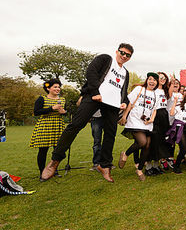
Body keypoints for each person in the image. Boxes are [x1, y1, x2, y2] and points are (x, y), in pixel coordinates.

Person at [41, 43, 132, 182]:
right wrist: (95, 92)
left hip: (112, 104)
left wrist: (124, 101)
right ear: (117, 51)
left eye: (128, 55)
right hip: (95, 97)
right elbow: (91, 72)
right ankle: (55, 160)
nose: (124, 56)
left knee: (110, 134)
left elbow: (123, 90)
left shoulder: (125, 72)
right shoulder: (106, 59)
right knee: (75, 125)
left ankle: (104, 166)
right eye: (122, 52)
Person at [118, 73, 159, 181]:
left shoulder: (156, 94)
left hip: (147, 123)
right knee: (142, 142)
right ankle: (125, 154)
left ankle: (140, 169)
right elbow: (130, 103)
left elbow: (155, 109)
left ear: (157, 82)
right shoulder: (139, 89)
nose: (152, 81)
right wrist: (124, 116)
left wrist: (152, 119)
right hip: (135, 120)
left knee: (147, 146)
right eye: (150, 79)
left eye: (154, 80)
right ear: (147, 80)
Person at [29, 79, 66, 180]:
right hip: (45, 125)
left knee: (57, 151)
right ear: (48, 88)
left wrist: (64, 112)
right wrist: (52, 108)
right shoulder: (42, 99)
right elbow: (36, 112)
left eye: (59, 87)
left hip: (58, 125)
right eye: (55, 87)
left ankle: (54, 170)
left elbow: (64, 112)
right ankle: (42, 173)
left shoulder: (62, 100)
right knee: (43, 151)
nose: (58, 89)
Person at [145, 71, 171, 175]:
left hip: (164, 115)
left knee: (160, 142)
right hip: (155, 115)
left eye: (164, 78)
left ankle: (156, 166)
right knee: (152, 141)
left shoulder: (164, 91)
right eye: (160, 77)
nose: (163, 79)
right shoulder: (152, 90)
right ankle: (148, 167)